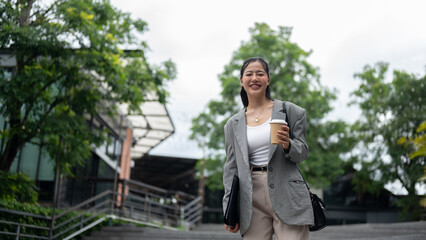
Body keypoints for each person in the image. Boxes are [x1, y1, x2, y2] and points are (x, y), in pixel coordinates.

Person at [223, 57, 313, 240]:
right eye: (249, 74)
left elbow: (303, 152)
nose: (254, 78)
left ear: (268, 79)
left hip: (287, 192)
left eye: (260, 74)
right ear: (241, 81)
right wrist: (229, 208)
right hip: (250, 197)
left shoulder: (291, 111)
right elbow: (231, 168)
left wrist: (288, 144)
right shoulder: (232, 124)